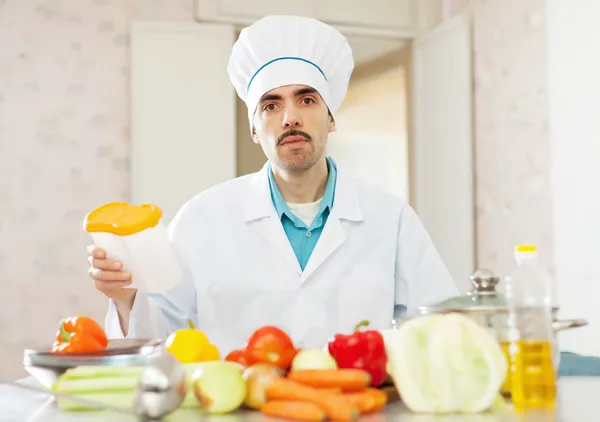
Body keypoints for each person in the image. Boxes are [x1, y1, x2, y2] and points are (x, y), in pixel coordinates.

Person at [88, 15, 459, 355]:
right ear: (254, 129)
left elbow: (440, 327)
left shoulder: (390, 219)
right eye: (271, 105)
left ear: (330, 118)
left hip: (355, 405)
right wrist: (125, 298)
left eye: (307, 99)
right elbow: (162, 337)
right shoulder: (202, 217)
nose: (290, 118)